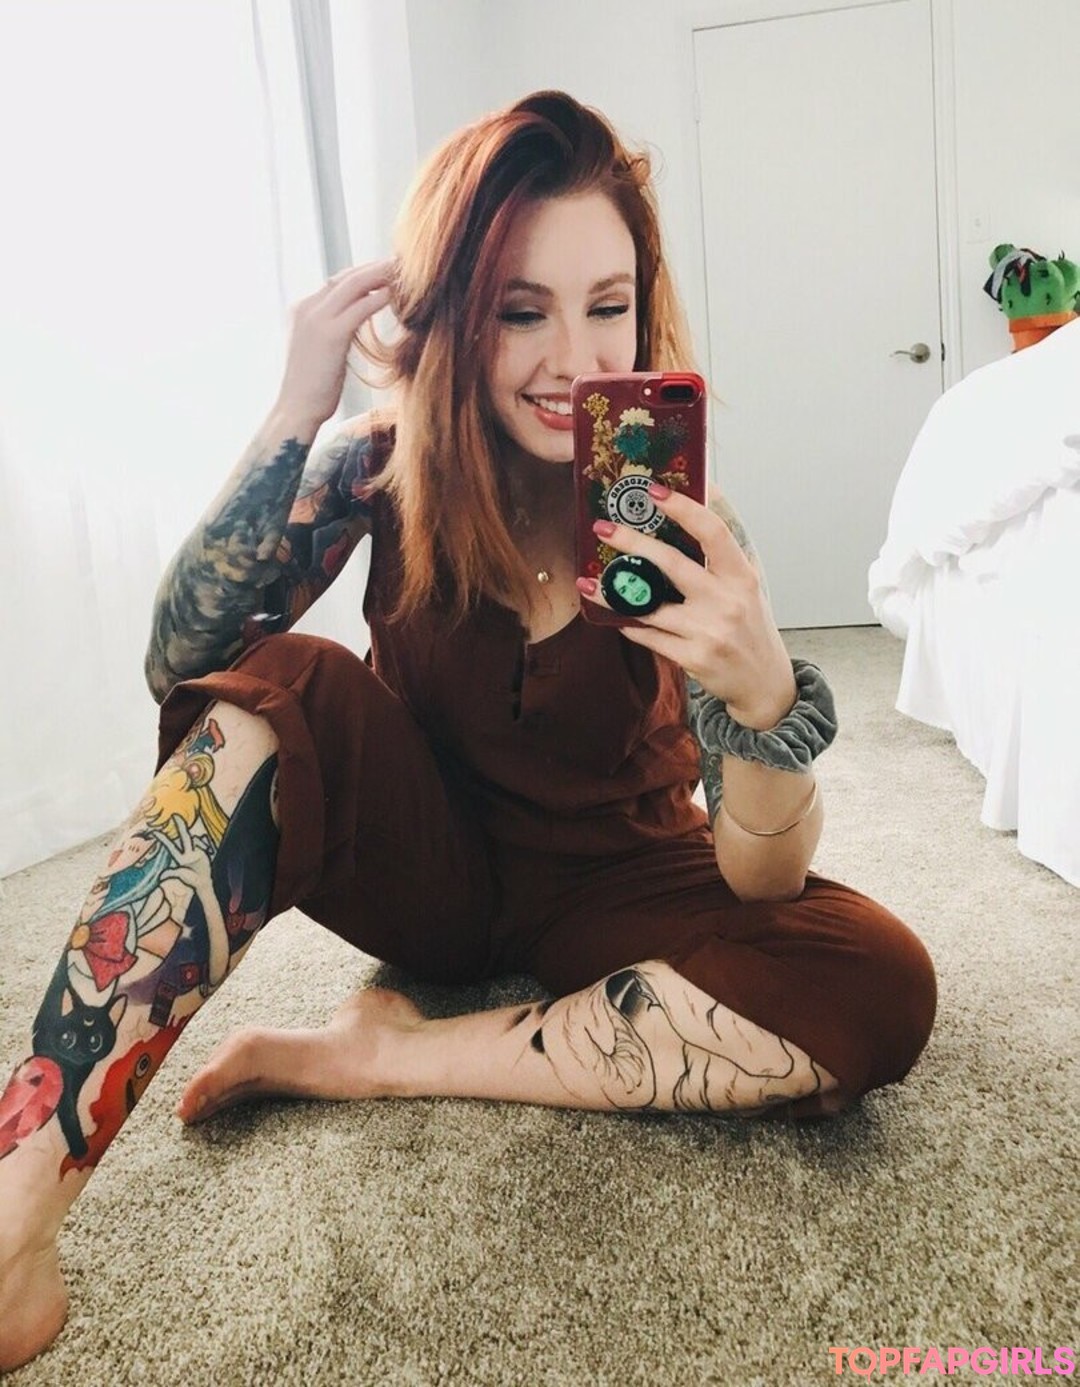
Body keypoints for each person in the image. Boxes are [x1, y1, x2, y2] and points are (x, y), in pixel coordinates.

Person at [0, 89, 937, 1370]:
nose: (573, 359)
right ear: (454, 315)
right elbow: (180, 660)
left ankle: (380, 1055)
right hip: (426, 866)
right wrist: (292, 412)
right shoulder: (378, 468)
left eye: (607, 305)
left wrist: (768, 700)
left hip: (622, 881)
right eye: (521, 311)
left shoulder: (677, 523)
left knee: (876, 985)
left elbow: (758, 879)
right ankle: (14, 1220)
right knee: (277, 681)